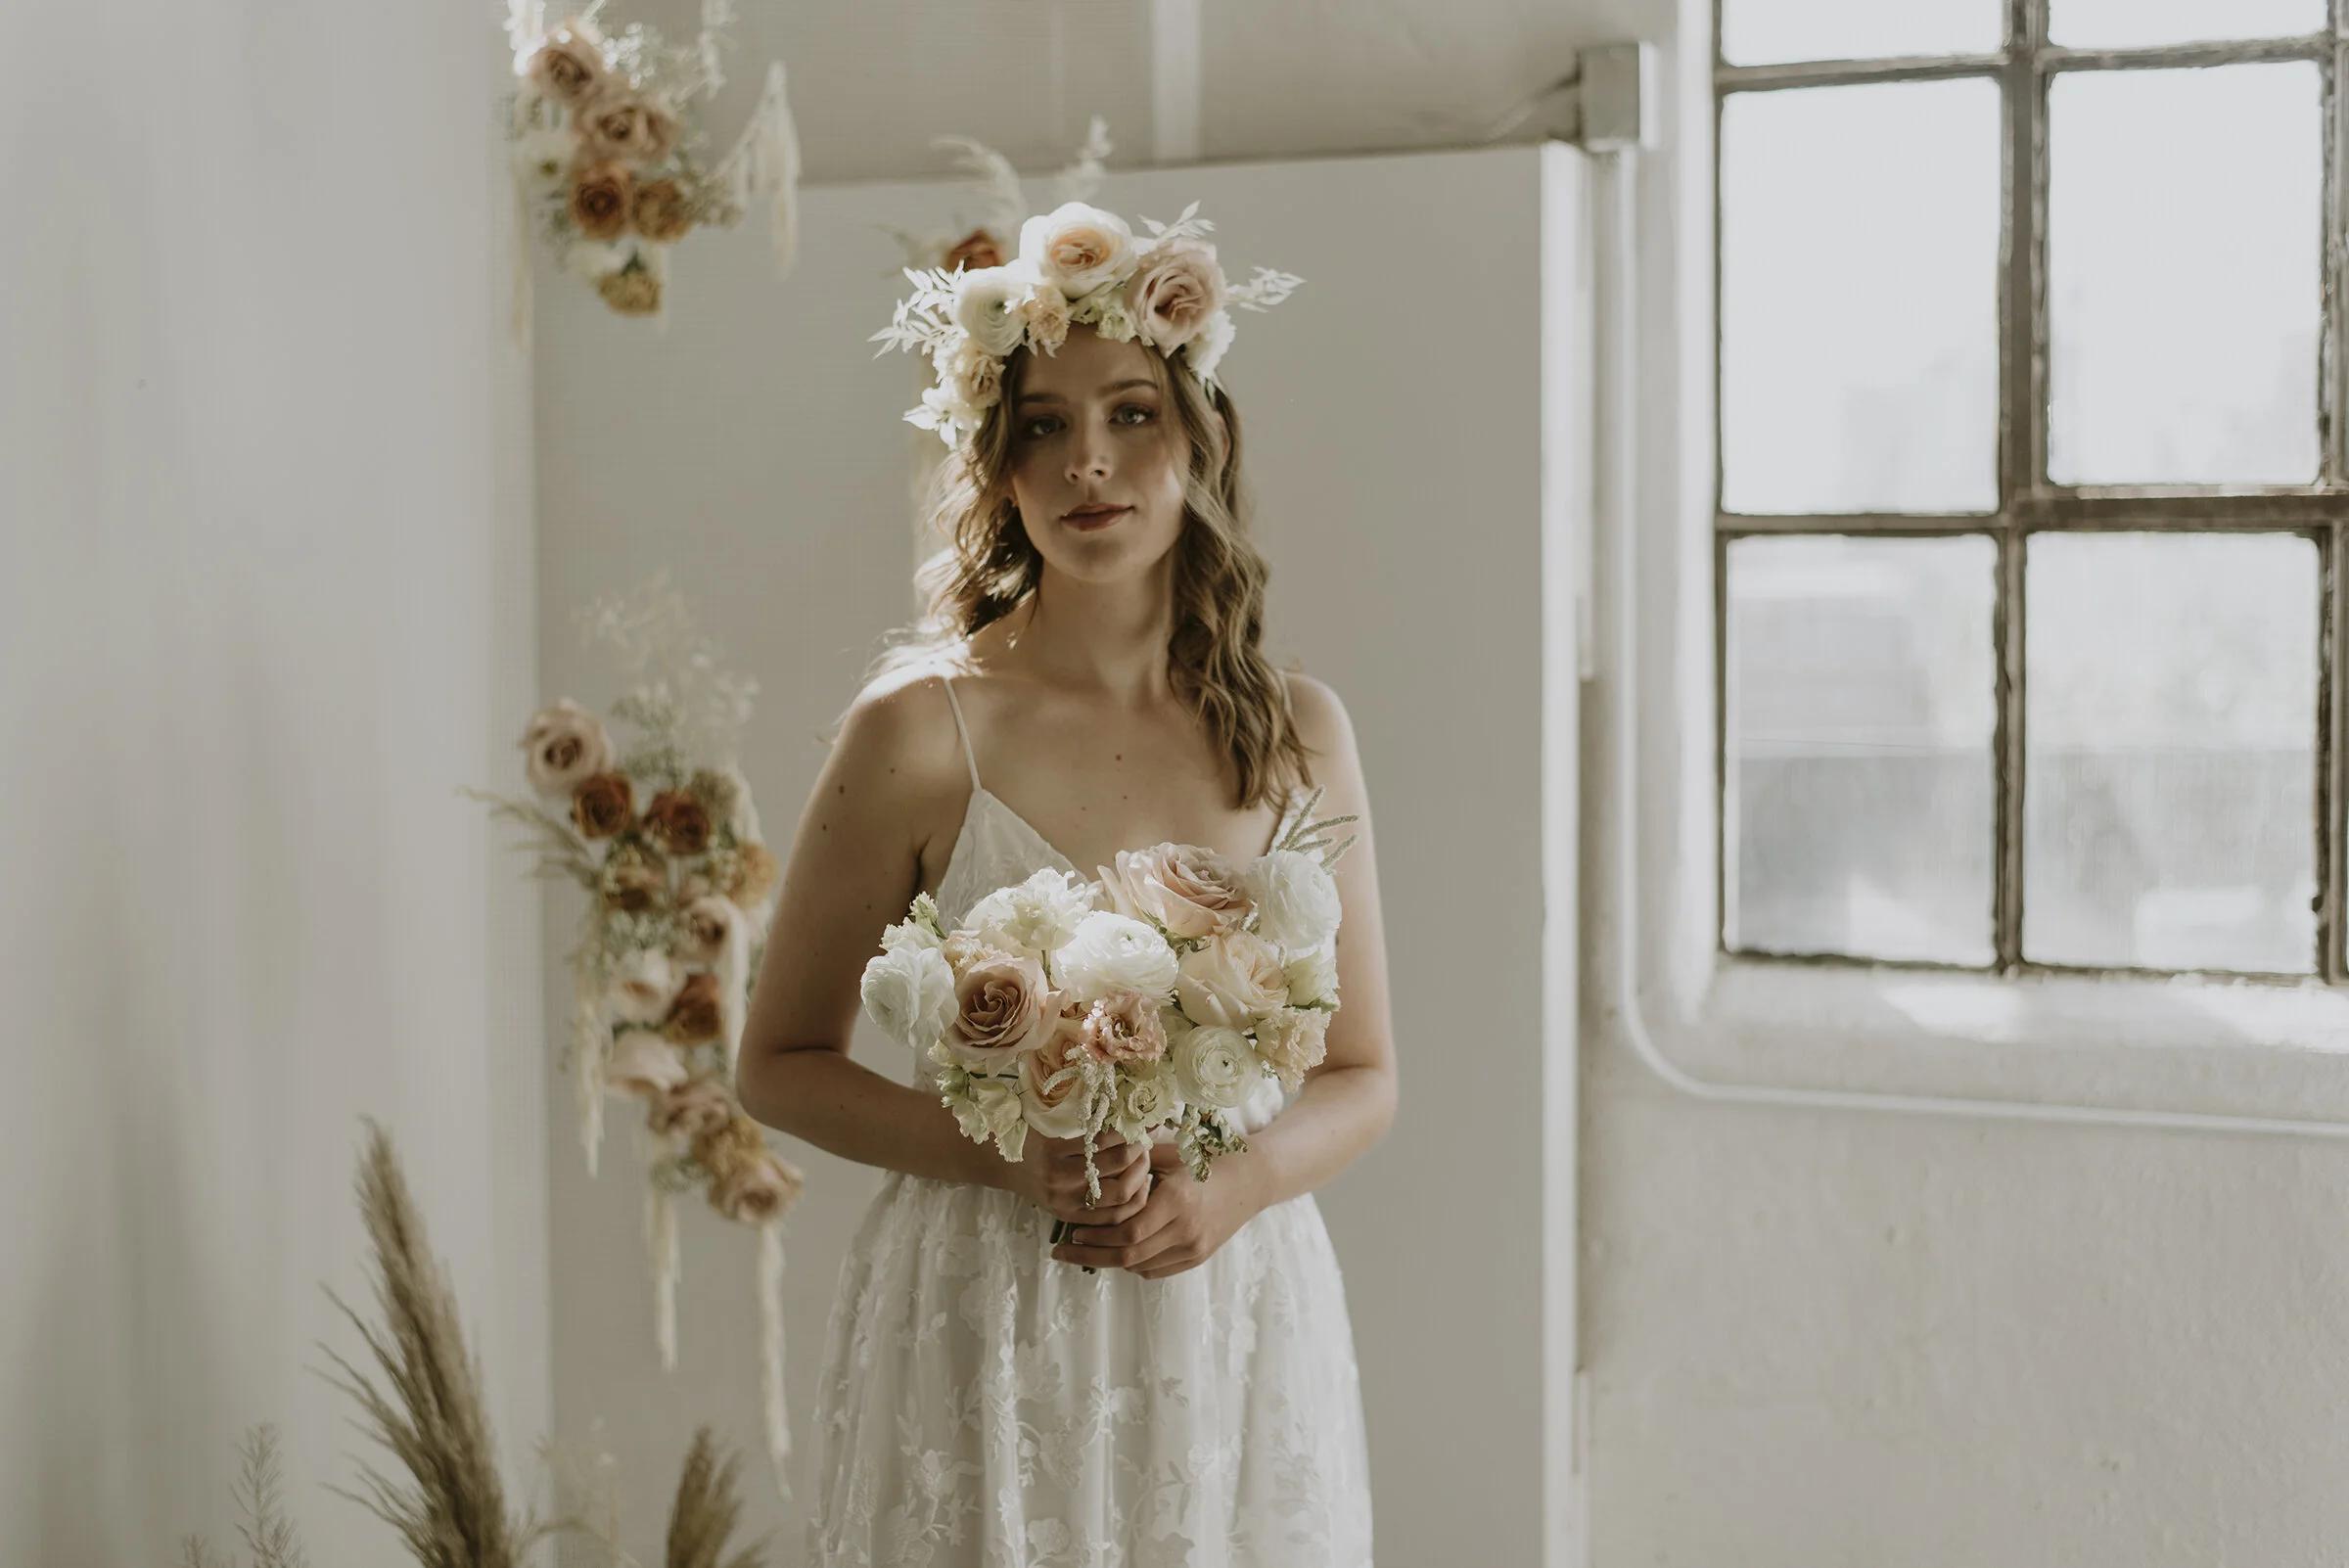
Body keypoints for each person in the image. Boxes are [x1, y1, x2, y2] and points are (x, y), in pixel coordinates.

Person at [735, 199, 1394, 1564]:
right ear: (1000, 459)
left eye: (1131, 413)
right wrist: (1011, 1158)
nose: (1088, 459)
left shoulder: (1297, 732)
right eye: (1041, 422)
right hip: (985, 1319)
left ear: (1197, 434)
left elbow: (1363, 1071)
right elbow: (779, 1061)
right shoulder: (920, 731)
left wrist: (1235, 1186)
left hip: (1234, 1315)